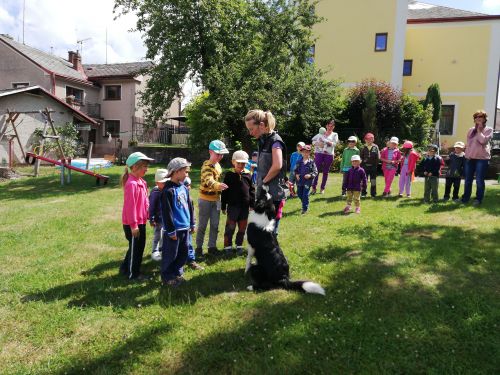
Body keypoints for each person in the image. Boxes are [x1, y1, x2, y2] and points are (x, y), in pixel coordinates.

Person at [244, 109, 286, 235]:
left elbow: (277, 165)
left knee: (270, 231)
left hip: (272, 193)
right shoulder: (264, 141)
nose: (250, 133)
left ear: (261, 125)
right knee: (263, 229)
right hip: (264, 191)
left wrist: (263, 182)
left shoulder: (275, 141)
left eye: (251, 129)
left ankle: (272, 254)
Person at [160, 158, 196, 287]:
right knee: (170, 255)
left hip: (185, 229)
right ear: (175, 172)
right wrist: (170, 231)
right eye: (185, 171)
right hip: (173, 231)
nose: (187, 174)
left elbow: (190, 207)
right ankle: (167, 277)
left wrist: (192, 223)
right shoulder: (167, 191)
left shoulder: (183, 188)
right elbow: (166, 212)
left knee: (182, 253)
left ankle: (177, 273)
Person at [119, 151, 154, 280]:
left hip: (141, 221)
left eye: (146, 166)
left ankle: (124, 268)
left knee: (135, 247)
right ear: (134, 167)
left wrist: (150, 215)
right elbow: (130, 207)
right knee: (136, 250)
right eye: (144, 166)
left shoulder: (141, 182)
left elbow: (145, 202)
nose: (146, 169)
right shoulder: (131, 184)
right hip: (133, 224)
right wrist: (134, 226)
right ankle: (133, 274)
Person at [195, 140, 229, 257]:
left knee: (215, 225)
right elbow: (209, 180)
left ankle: (212, 247)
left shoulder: (218, 165)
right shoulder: (206, 166)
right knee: (203, 225)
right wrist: (218, 186)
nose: (220, 156)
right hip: (205, 200)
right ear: (210, 152)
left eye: (222, 154)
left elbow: (218, 179)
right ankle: (198, 249)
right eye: (218, 154)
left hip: (216, 200)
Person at [221, 150, 255, 255]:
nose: (241, 165)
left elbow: (252, 190)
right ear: (233, 162)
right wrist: (223, 206)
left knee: (242, 227)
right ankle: (228, 246)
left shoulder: (248, 175)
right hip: (233, 207)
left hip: (244, 207)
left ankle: (239, 245)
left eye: (243, 163)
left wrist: (252, 205)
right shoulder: (229, 175)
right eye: (238, 163)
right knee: (230, 227)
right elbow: (224, 192)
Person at [461, 110, 494, 205]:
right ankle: (465, 198)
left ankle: (478, 199)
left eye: (480, 117)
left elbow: (483, 141)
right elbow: (469, 144)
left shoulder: (489, 130)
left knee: (479, 180)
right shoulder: (471, 130)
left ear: (484, 119)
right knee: (468, 180)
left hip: (482, 159)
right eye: (476, 117)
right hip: (470, 158)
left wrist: (479, 130)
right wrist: (467, 155)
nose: (478, 118)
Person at [311, 120, 339, 194]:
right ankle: (314, 188)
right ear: (326, 126)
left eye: (332, 126)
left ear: (334, 127)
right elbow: (313, 141)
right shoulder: (320, 133)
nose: (330, 127)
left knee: (325, 172)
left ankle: (322, 188)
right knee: (316, 171)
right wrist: (317, 143)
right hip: (319, 153)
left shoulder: (335, 134)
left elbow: (334, 144)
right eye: (329, 126)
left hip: (329, 155)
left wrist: (326, 142)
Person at [183, 177, 204, 270]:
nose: (188, 187)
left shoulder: (190, 199)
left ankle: (191, 261)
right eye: (185, 185)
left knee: (189, 244)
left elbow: (192, 212)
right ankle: (179, 264)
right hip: (179, 226)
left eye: (189, 185)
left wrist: (193, 224)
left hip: (188, 225)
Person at [150, 168, 169, 262]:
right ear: (157, 183)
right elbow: (151, 207)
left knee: (164, 234)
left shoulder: (167, 190)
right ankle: (155, 251)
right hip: (157, 218)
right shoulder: (155, 192)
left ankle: (162, 249)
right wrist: (152, 219)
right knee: (157, 234)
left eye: (166, 182)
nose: (165, 184)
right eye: (163, 182)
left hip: (165, 218)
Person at [294, 144, 318, 214]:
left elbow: (315, 172)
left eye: (307, 152)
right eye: (303, 152)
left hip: (308, 181)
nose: (305, 153)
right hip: (299, 181)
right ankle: (304, 202)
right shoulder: (298, 162)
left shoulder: (312, 162)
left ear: (309, 152)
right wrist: (297, 174)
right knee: (299, 193)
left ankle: (305, 208)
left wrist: (310, 175)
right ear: (301, 152)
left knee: (305, 194)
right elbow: (295, 170)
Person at [360, 133, 380, 197]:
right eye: (367, 139)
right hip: (364, 166)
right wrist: (363, 163)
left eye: (370, 139)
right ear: (365, 140)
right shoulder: (363, 147)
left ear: (373, 139)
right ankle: (363, 193)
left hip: (373, 166)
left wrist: (375, 164)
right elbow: (361, 157)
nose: (369, 140)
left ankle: (373, 194)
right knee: (364, 180)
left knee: (373, 180)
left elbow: (378, 157)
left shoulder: (375, 147)